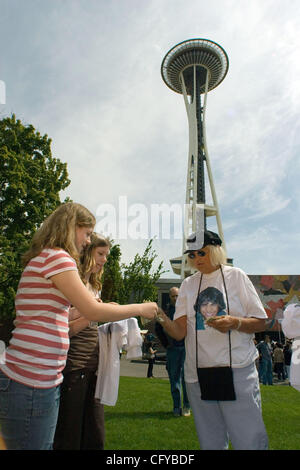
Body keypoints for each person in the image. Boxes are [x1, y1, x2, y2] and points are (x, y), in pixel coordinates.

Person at [0, 202, 158, 450]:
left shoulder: (46, 257)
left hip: (37, 378)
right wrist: (139, 308)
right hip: (31, 379)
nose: (87, 241)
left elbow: (65, 324)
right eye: (86, 233)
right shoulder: (58, 257)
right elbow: (93, 310)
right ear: (71, 227)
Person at [156, 230, 269, 450]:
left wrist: (235, 322)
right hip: (197, 375)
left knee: (249, 440)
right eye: (191, 255)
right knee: (210, 443)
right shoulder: (188, 285)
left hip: (237, 371)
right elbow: (179, 332)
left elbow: (261, 322)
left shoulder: (236, 276)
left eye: (201, 253)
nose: (196, 259)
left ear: (216, 250)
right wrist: (159, 315)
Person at [53, 232, 110, 450]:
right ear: (87, 252)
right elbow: (63, 328)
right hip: (74, 366)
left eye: (106, 255)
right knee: (70, 433)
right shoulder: (70, 282)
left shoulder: (95, 285)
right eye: (100, 253)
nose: (104, 260)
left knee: (95, 434)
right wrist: (91, 314)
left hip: (96, 366)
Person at [157, 287, 190, 417]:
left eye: (177, 296)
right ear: (169, 297)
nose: (175, 298)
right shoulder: (165, 312)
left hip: (187, 349)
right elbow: (158, 329)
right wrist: (167, 344)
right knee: (174, 379)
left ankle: (187, 406)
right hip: (173, 350)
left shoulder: (187, 310)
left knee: (187, 379)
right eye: (173, 296)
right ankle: (177, 407)